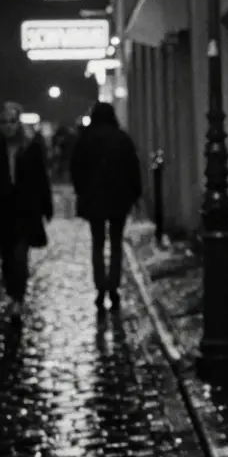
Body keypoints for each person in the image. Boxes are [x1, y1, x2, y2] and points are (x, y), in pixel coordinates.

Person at [0, 102, 53, 315]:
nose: (8, 126)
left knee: (20, 256)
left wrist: (45, 206)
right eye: (4, 121)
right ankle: (12, 292)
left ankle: (18, 297)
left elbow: (41, 178)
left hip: (26, 210)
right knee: (6, 257)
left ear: (19, 123)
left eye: (12, 121)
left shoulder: (31, 147)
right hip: (1, 212)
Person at [70, 101, 142, 309]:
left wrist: (82, 191)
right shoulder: (122, 138)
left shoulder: (85, 139)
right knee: (116, 242)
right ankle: (114, 285)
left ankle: (100, 285)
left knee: (98, 242)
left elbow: (76, 168)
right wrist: (135, 194)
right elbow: (132, 168)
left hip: (94, 199)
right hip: (119, 198)